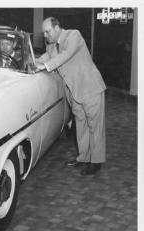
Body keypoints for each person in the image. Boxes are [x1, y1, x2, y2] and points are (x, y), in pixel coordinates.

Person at [36, 17, 106, 175]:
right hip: (74, 91)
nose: (45, 36)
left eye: (47, 31)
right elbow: (46, 58)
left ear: (56, 27)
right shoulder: (52, 45)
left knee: (95, 126)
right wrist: (32, 62)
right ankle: (83, 158)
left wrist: (45, 65)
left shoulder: (74, 35)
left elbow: (65, 56)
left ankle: (96, 162)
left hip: (90, 87)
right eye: (44, 33)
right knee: (81, 126)